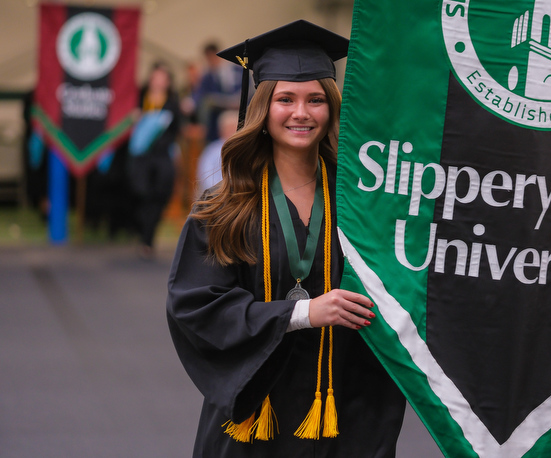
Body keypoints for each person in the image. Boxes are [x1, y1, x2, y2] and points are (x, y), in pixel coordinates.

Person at [166, 20, 406, 457]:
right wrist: (301, 313)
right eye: (285, 99)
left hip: (343, 416)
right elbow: (197, 307)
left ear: (332, 109)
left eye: (316, 99)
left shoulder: (363, 203)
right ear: (262, 107)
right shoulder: (224, 207)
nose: (301, 112)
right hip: (252, 422)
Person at [127, 61, 181, 258]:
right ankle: (141, 232)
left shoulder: (173, 104)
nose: (158, 81)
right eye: (155, 77)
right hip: (141, 157)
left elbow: (176, 131)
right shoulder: (139, 99)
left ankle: (148, 239)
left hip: (162, 158)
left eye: (162, 78)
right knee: (140, 193)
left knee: (159, 196)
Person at [193, 42, 242, 143]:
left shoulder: (236, 69)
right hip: (217, 116)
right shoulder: (207, 76)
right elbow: (200, 93)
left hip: (238, 111)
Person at [195, 109, 238, 198]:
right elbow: (204, 175)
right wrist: (219, 192)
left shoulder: (245, 149)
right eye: (228, 127)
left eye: (234, 127)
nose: (231, 131)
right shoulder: (212, 150)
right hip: (215, 195)